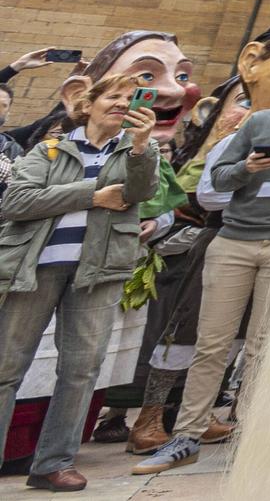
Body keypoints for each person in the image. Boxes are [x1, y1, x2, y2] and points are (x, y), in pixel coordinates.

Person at [133, 48, 270, 476]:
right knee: (211, 344)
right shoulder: (261, 122)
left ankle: (250, 435)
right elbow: (219, 177)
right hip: (234, 241)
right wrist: (245, 168)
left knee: (264, 346)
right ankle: (186, 435)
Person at [0, 73, 159, 491]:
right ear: (88, 104)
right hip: (34, 270)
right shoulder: (51, 149)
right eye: (113, 96)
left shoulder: (140, 149)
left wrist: (141, 146)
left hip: (98, 273)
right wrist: (93, 194)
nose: (122, 103)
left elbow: (143, 191)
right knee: (5, 368)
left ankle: (54, 464)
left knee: (80, 371)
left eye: (130, 98)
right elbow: (15, 201)